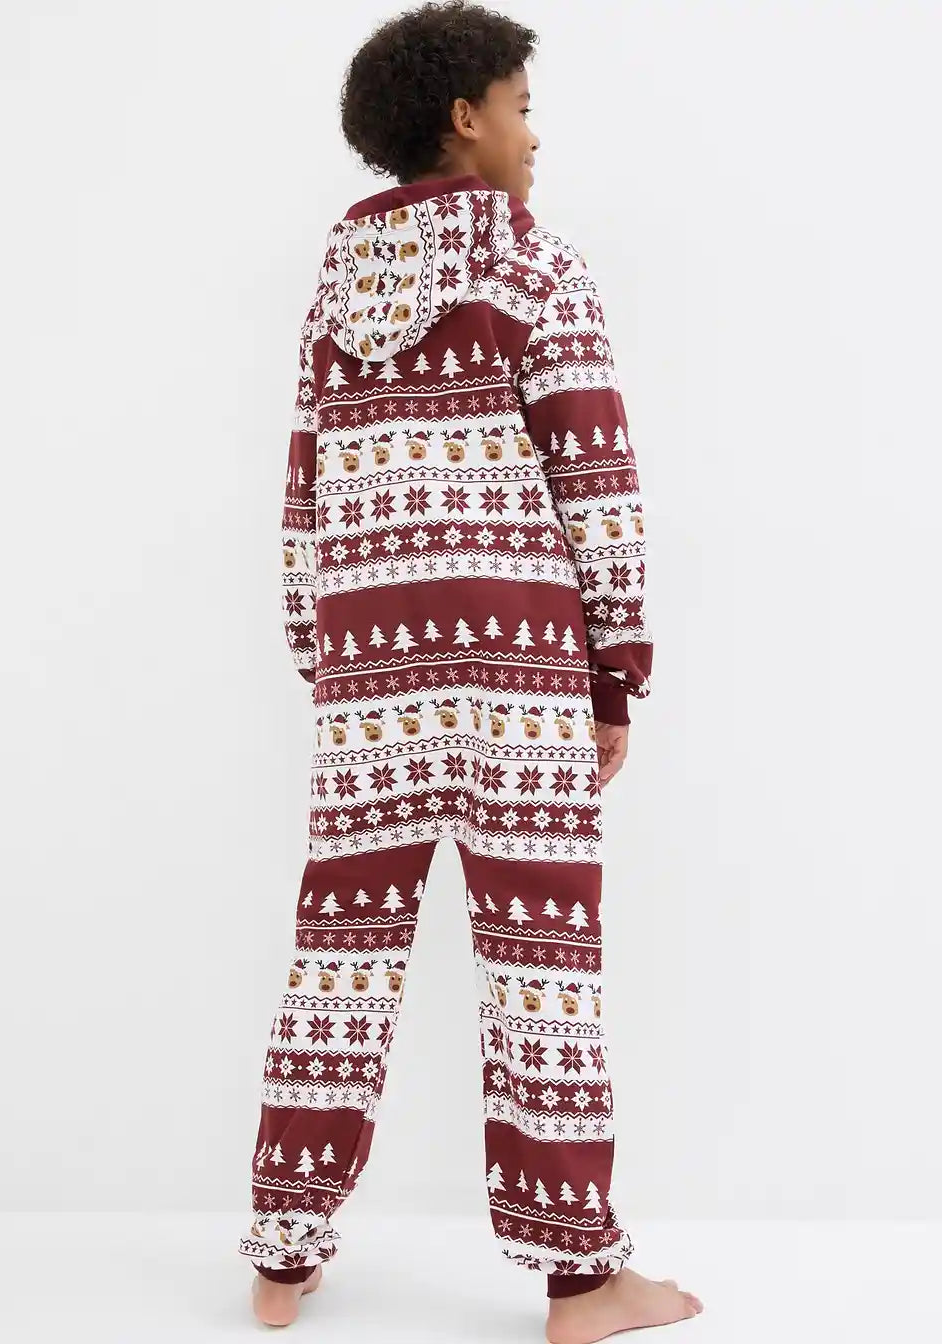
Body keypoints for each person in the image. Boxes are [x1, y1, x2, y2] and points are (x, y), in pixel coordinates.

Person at [241, 3, 703, 1338]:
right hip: (518, 665)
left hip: (369, 672)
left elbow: (305, 489)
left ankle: (281, 1253)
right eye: (521, 107)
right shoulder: (536, 267)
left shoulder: (335, 294)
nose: (533, 136)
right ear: (466, 119)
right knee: (541, 964)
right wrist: (614, 669)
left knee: (339, 953)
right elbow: (596, 477)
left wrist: (327, 656)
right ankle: (581, 1280)